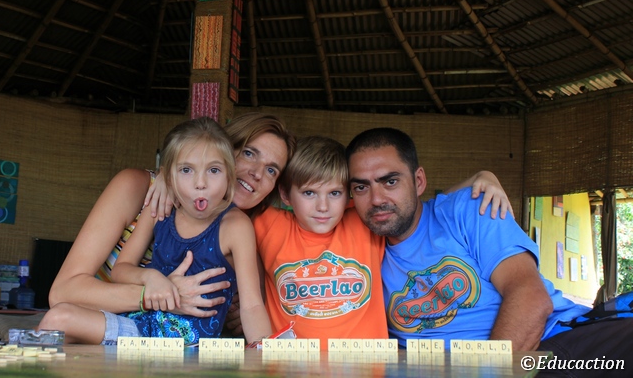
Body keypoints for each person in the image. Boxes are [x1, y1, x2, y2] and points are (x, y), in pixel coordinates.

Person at [346, 127, 632, 375]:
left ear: (419, 181)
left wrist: (492, 373)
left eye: (390, 181)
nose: (377, 199)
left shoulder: (468, 210)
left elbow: (531, 298)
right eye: (361, 187)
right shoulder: (353, 247)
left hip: (550, 342)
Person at [40, 113, 295, 337]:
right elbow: (68, 291)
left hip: (178, 339)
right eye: (249, 154)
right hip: (124, 321)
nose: (257, 173)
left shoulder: (243, 228)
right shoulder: (152, 202)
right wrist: (160, 293)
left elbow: (251, 309)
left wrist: (247, 331)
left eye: (272, 170)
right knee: (59, 325)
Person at [254, 136, 387, 343]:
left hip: (365, 361)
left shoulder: (365, 220)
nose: (323, 206)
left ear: (349, 195)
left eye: (334, 193)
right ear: (285, 194)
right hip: (289, 362)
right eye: (309, 193)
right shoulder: (269, 225)